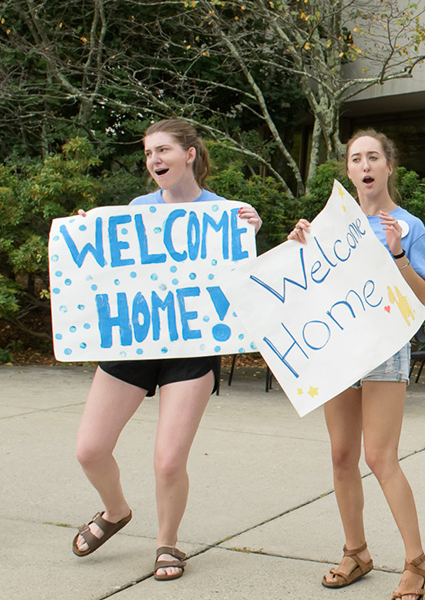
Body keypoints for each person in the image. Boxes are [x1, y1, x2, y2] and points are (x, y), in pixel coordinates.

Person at [69, 119, 262, 582]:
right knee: (90, 449)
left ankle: (167, 542)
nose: (154, 160)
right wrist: (86, 236)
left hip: (192, 346)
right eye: (149, 153)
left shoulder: (229, 213)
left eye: (163, 150)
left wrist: (251, 233)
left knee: (169, 459)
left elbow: (246, 284)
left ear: (190, 153)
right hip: (133, 338)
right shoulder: (135, 209)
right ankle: (115, 512)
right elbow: (108, 272)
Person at [287, 130, 425, 599]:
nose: (365, 165)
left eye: (373, 156)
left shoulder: (408, 225)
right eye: (356, 158)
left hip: (383, 347)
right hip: (337, 350)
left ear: (388, 166)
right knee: (341, 456)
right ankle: (356, 551)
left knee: (380, 456)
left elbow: (421, 297)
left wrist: (396, 253)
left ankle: (416, 561)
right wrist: (299, 247)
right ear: (349, 170)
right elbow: (310, 288)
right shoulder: (330, 222)